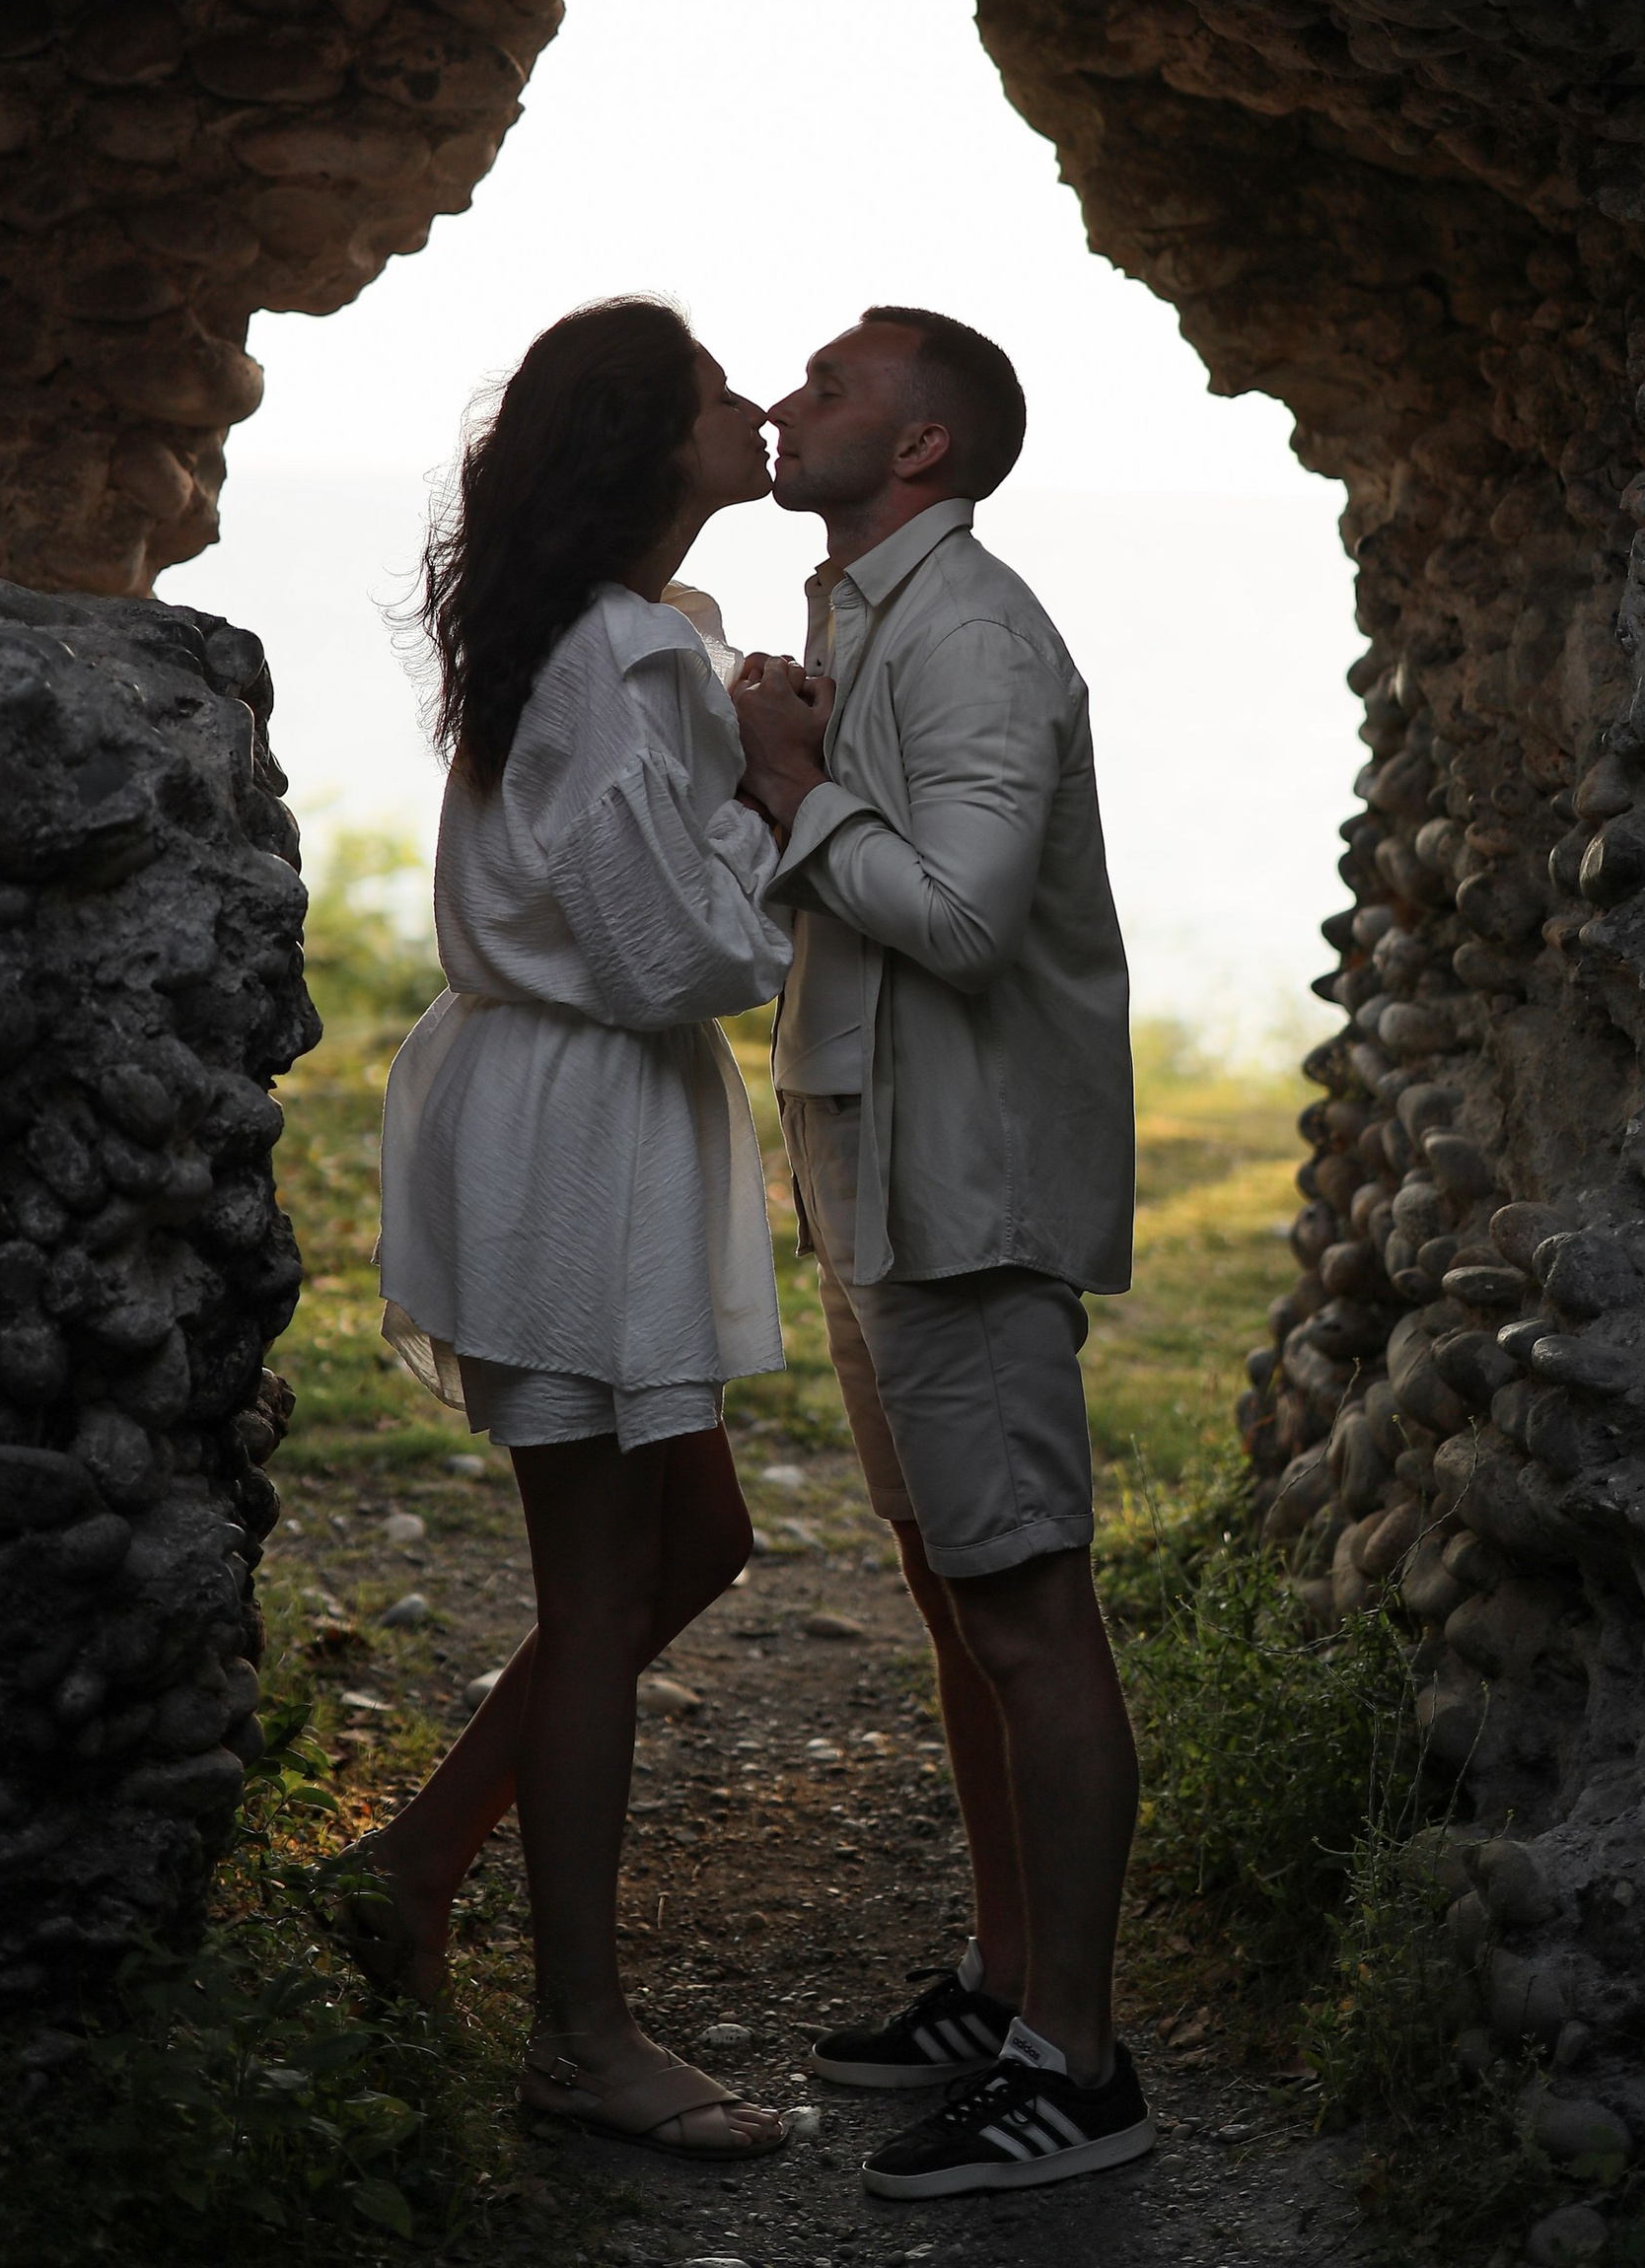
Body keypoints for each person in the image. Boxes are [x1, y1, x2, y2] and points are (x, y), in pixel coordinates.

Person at [333, 300, 791, 2162]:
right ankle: (582, 2037)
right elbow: (677, 950)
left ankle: (419, 1858)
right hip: (575, 1123)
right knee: (602, 1589)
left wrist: (739, 732)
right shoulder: (618, 655)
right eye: (715, 393)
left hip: (559, 1108)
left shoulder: (632, 637)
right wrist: (780, 796)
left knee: (697, 1537)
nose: (755, 407)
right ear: (645, 443)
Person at [731, 309, 1152, 2199]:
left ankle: (1079, 2061)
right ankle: (1004, 1985)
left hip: (967, 1194)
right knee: (950, 1592)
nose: (779, 400)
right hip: (879, 1177)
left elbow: (968, 923)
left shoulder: (973, 631)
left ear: (920, 449)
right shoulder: (862, 613)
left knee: (1028, 1610)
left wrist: (787, 791)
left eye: (824, 384)